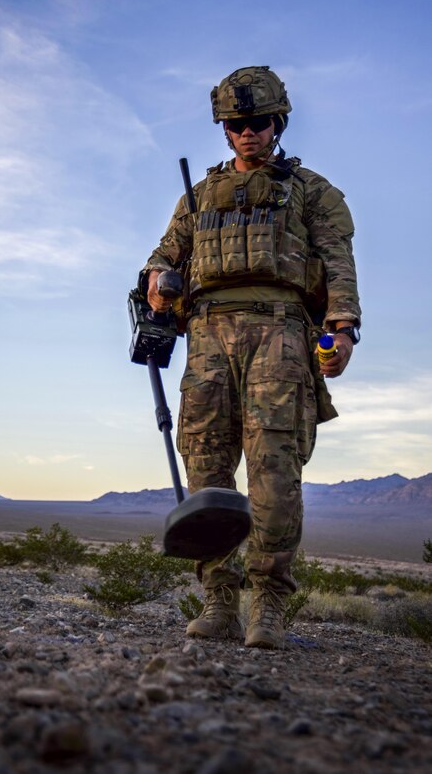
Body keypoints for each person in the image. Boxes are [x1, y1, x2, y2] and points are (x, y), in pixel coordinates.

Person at [139, 66, 361, 649]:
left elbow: (337, 263)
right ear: (224, 129)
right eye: (236, 124)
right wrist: (160, 280)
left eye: (259, 122)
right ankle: (219, 601)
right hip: (207, 337)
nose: (248, 133)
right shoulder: (196, 198)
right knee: (206, 471)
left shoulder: (312, 191)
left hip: (281, 334)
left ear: (278, 122)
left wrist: (341, 329)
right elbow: (160, 259)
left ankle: (268, 605)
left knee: (275, 475)